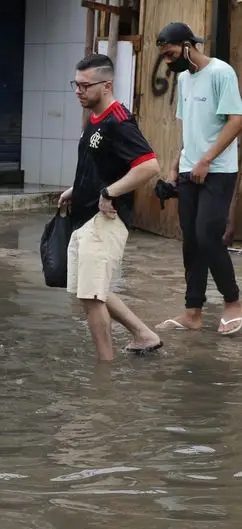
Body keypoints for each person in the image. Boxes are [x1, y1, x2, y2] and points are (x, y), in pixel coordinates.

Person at [57, 54, 163, 361]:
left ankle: (104, 369)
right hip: (86, 215)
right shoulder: (95, 119)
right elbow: (102, 166)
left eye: (85, 85)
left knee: (91, 296)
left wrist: (109, 192)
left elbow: (149, 166)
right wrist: (76, 189)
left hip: (105, 219)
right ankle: (144, 335)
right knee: (90, 291)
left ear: (107, 86)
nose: (78, 91)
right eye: (75, 84)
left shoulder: (119, 122)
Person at [153, 23, 242, 335]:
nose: (168, 60)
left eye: (171, 53)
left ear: (188, 45)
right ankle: (193, 312)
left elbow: (236, 120)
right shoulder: (183, 78)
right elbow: (188, 128)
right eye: (164, 55)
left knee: (207, 235)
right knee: (191, 241)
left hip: (218, 171)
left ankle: (233, 303)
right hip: (190, 169)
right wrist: (176, 167)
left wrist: (206, 159)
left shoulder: (221, 73)